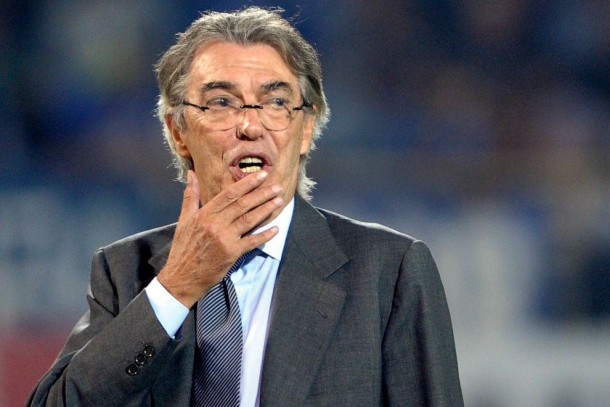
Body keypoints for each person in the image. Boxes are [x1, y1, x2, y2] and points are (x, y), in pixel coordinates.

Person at [28, 6, 463, 407]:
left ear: (305, 128)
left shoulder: (388, 272)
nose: (250, 125)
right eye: (221, 102)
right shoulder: (125, 271)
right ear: (178, 132)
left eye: (276, 102)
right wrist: (177, 287)